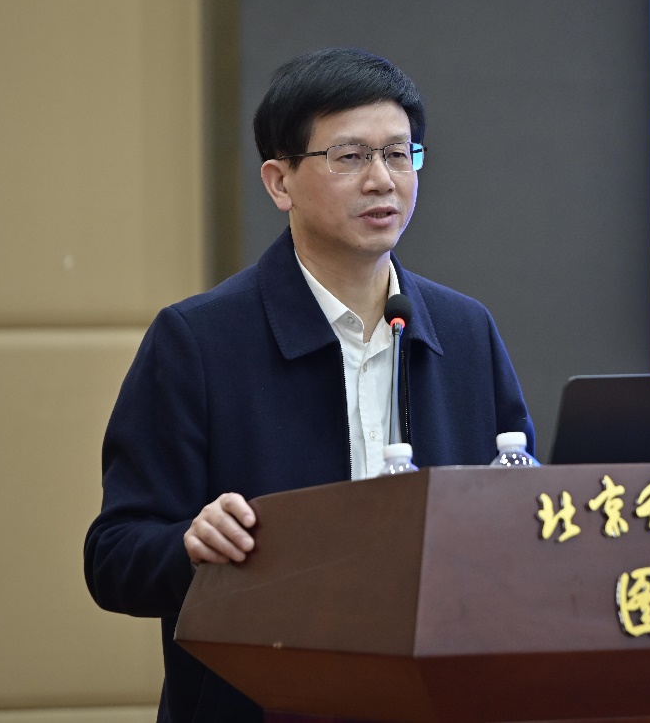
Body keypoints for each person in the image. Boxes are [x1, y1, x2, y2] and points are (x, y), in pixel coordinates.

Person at [84, 47, 534, 722]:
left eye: (399, 154)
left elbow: (521, 517)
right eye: (349, 157)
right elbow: (114, 556)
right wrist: (191, 546)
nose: (381, 180)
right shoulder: (198, 341)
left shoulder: (464, 330)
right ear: (280, 182)